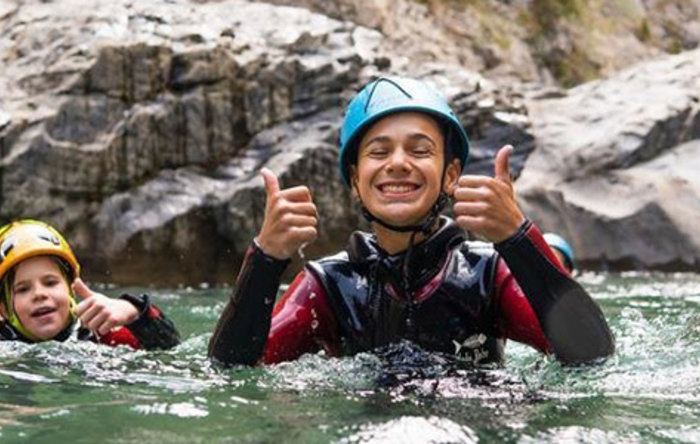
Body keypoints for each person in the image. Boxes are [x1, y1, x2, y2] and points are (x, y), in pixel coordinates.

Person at [209, 76, 614, 366]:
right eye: (379, 152)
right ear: (354, 181)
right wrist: (266, 257)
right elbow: (234, 371)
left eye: (420, 151)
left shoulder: (488, 272)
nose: (398, 163)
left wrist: (517, 236)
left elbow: (591, 354)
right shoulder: (327, 285)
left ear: (451, 176)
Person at [0, 219, 180, 349]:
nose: (39, 294)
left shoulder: (98, 334)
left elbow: (169, 347)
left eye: (50, 283)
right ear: (4, 308)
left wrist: (132, 311)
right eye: (23, 289)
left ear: (71, 289)